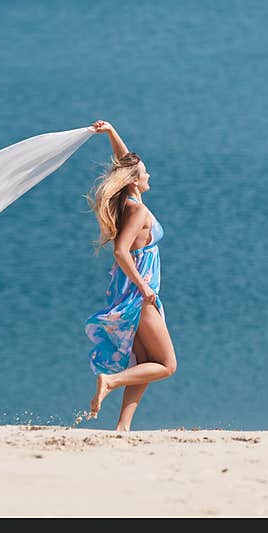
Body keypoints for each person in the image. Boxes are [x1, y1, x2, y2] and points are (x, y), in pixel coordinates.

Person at [81, 119, 177, 431]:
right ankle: (110, 381)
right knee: (165, 365)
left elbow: (126, 162)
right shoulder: (137, 211)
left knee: (144, 360)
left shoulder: (130, 203)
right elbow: (121, 252)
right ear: (135, 181)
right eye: (144, 172)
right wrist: (145, 288)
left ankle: (123, 427)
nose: (149, 175)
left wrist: (111, 132)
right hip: (139, 296)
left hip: (129, 294)